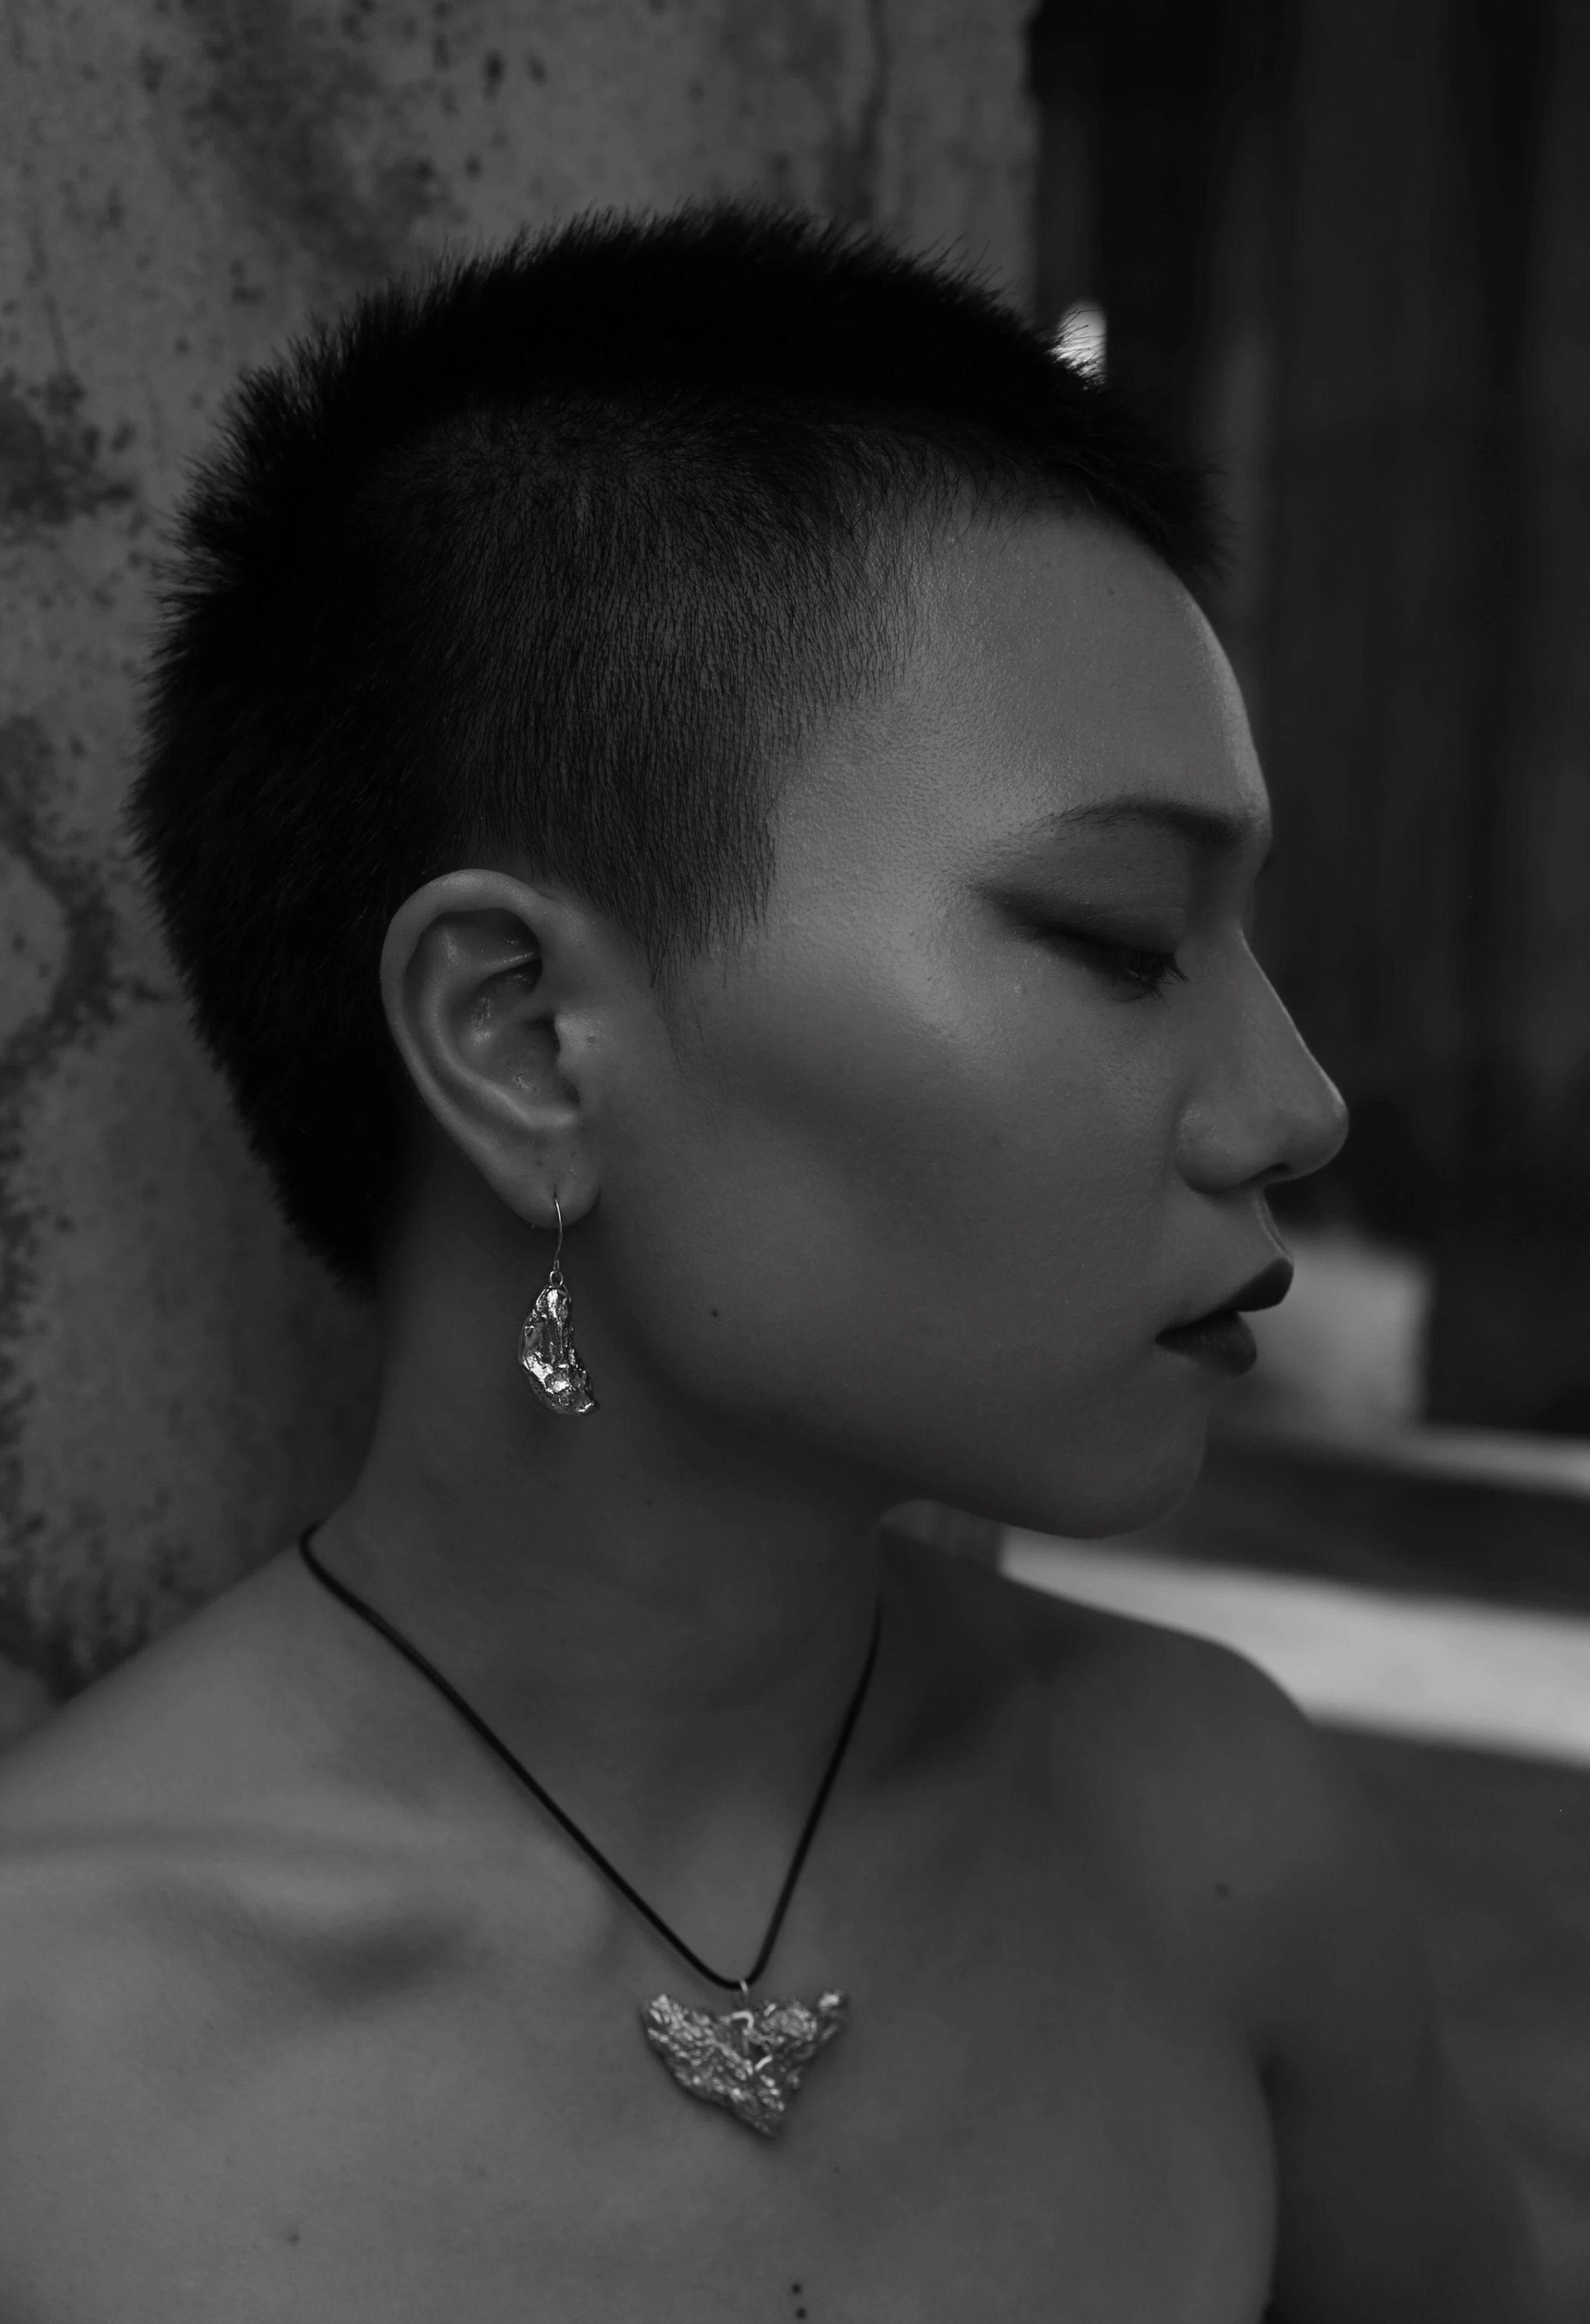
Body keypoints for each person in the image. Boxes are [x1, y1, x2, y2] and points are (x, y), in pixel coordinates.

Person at [0, 203, 1545, 2321]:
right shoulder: (52, 2063)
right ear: (525, 1040)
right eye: (1120, 940)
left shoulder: (1219, 1841)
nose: (1294, 1106)